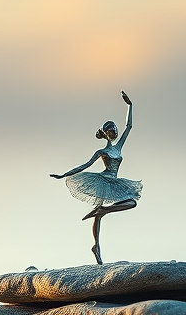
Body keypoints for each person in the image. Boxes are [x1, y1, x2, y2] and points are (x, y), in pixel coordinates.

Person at [51, 91, 142, 264]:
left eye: (115, 129)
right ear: (106, 134)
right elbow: (85, 165)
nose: (115, 131)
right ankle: (96, 246)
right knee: (98, 217)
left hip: (115, 181)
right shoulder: (102, 152)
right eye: (112, 130)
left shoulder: (119, 147)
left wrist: (130, 105)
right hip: (102, 180)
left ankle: (104, 211)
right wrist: (63, 174)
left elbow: (129, 127)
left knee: (132, 202)